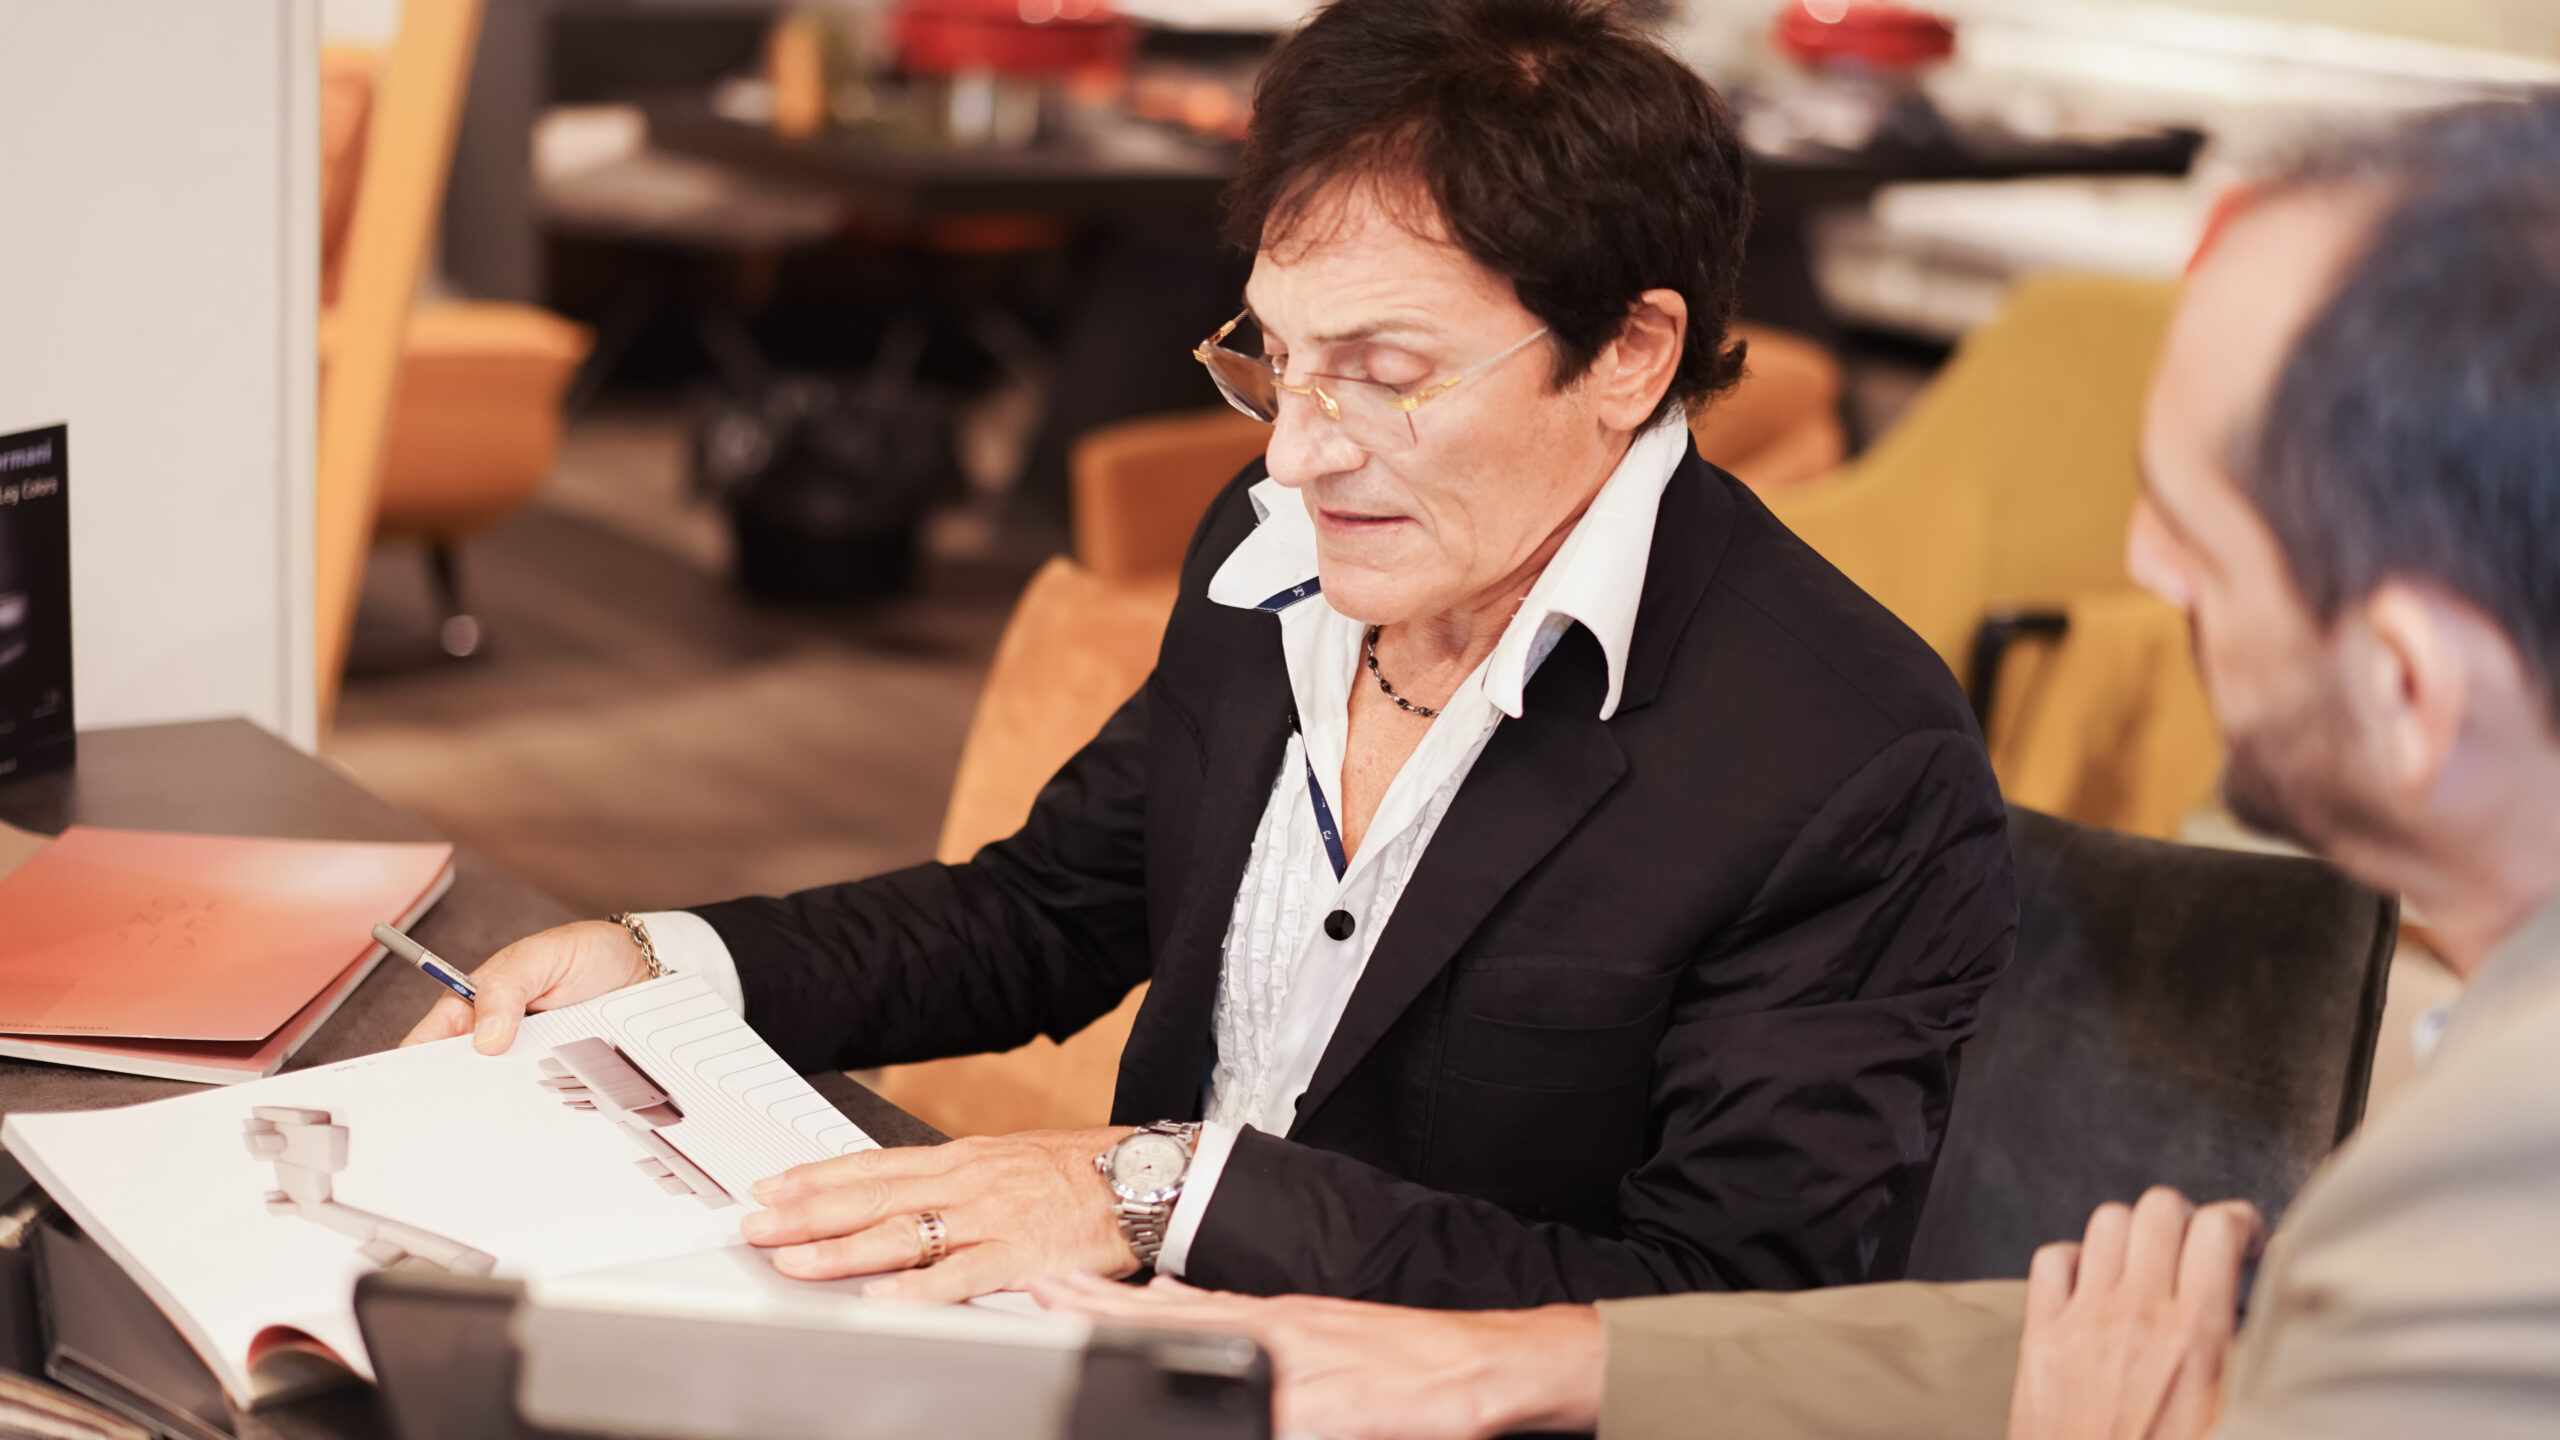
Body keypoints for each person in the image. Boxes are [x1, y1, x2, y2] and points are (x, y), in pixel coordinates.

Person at [404, 0, 2015, 1310]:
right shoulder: (1279, 553)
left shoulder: (1843, 760)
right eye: (1277, 359)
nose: (1298, 454)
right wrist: (668, 965)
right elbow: (1052, 908)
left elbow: (1718, 1318)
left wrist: (1159, 1194)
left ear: (1628, 354)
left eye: (1386, 372)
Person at [1036, 93, 2560, 1440]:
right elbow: (2180, 1344)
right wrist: (1518, 1365)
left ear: (2411, 686)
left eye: (2196, 531)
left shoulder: (2504, 1182)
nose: (2144, 572)